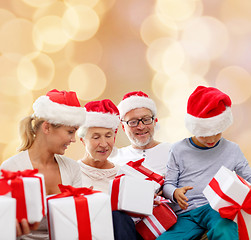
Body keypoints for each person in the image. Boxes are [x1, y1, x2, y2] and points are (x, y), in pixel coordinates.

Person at [157, 86, 251, 240]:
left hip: (216, 209)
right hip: (186, 214)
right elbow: (168, 184)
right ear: (194, 128)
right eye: (204, 134)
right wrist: (175, 193)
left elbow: (248, 178)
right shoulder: (178, 149)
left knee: (225, 229)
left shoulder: (232, 149)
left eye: (216, 133)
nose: (211, 139)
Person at [0, 89, 86, 239]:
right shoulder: (11, 169)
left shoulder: (72, 168)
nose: (73, 139)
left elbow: (76, 222)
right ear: (47, 127)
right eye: (70, 132)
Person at [77, 99, 137, 240]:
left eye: (108, 136)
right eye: (96, 137)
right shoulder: (73, 172)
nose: (104, 144)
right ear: (82, 140)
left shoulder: (124, 174)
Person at [108, 91, 171, 177]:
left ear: (155, 122)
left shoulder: (172, 152)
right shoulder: (114, 159)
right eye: (133, 122)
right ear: (123, 127)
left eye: (146, 119)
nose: (141, 127)